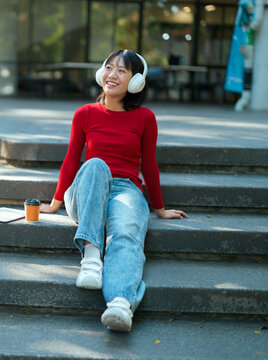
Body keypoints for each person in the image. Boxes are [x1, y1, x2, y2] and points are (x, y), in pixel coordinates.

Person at [40, 49, 188, 332]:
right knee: (95, 164)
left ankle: (120, 302)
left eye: (122, 70)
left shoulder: (145, 118)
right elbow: (72, 159)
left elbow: (149, 165)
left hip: (126, 190)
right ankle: (91, 257)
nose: (113, 74)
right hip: (87, 188)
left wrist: (159, 208)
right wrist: (56, 202)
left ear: (136, 82)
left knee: (126, 230)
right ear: (101, 73)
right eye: (109, 68)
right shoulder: (85, 113)